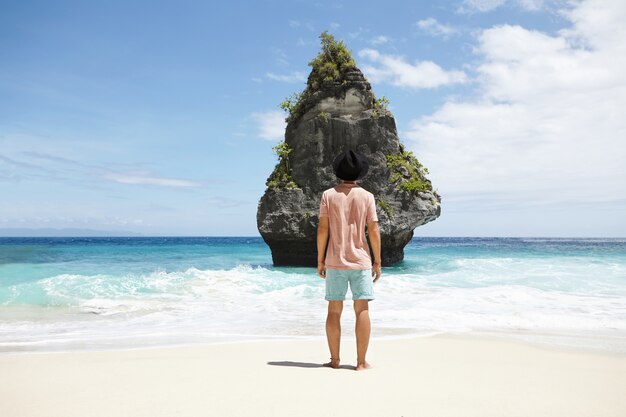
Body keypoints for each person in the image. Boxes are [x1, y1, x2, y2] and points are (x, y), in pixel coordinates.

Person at [317, 149, 382, 371]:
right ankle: (361, 363)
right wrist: (377, 261)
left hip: (335, 261)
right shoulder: (367, 196)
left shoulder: (328, 195)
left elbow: (322, 230)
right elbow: (373, 229)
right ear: (359, 173)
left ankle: (335, 361)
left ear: (339, 172)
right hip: (361, 261)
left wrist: (320, 260)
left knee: (334, 310)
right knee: (361, 310)